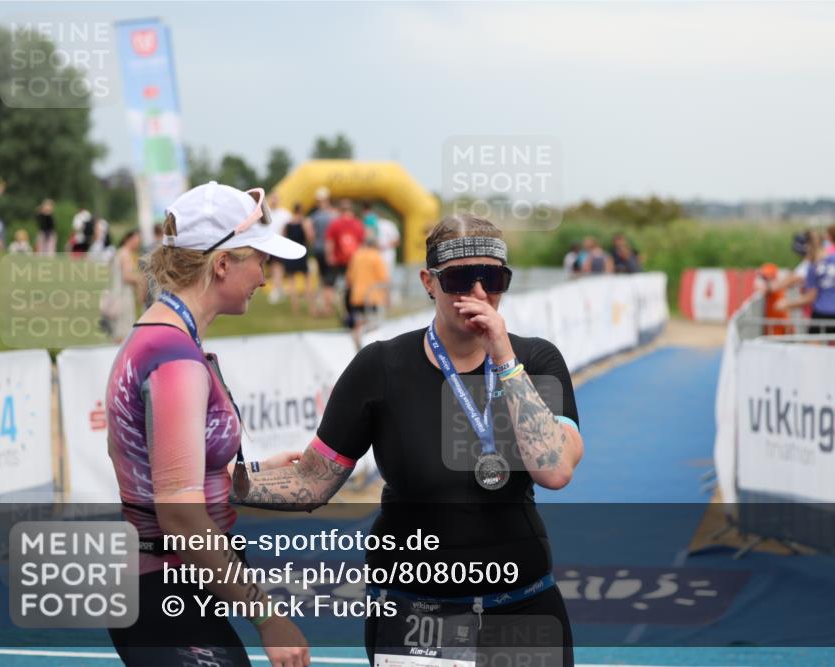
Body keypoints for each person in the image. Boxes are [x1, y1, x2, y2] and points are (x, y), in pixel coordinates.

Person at [237, 213, 584, 667]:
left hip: (522, 603)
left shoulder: (535, 359)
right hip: (416, 613)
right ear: (428, 282)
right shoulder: (381, 366)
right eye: (460, 279)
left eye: (493, 278)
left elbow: (555, 469)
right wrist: (222, 483)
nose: (479, 294)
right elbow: (313, 481)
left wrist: (503, 358)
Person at [104, 182, 310, 666]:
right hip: (164, 592)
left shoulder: (164, 338)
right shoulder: (173, 356)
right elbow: (180, 516)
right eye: (259, 259)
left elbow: (170, 476)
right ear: (222, 265)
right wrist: (268, 617)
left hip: (164, 589)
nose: (264, 276)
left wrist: (253, 475)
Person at [780, 229, 835, 338]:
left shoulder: (813, 267)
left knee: (813, 346)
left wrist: (787, 304)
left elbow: (810, 297)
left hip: (821, 312)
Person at [344, 235, 389, 349]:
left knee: (358, 324)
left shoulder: (356, 255)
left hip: (356, 296)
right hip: (373, 296)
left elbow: (349, 278)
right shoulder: (376, 256)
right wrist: (387, 297)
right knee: (372, 325)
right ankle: (369, 349)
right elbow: (383, 279)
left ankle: (358, 348)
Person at [99, 230, 142, 342]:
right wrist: (141, 279)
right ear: (129, 239)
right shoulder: (125, 254)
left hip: (117, 294)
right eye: (137, 239)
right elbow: (127, 276)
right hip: (124, 296)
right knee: (124, 331)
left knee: (118, 330)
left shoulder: (119, 252)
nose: (138, 243)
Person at [324, 198, 365, 309]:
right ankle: (351, 307)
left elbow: (329, 242)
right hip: (353, 259)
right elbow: (362, 244)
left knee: (329, 284)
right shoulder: (358, 224)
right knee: (351, 284)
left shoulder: (335, 224)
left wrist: (329, 256)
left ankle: (328, 308)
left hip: (337, 259)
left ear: (340, 211)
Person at [307, 186, 337, 316]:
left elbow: (310, 234)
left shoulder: (315, 216)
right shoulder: (333, 216)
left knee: (321, 279)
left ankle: (318, 307)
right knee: (329, 281)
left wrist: (314, 243)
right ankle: (328, 308)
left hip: (318, 249)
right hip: (330, 251)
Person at [280, 203, 311, 315]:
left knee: (291, 282)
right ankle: (310, 307)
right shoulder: (304, 223)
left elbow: (283, 236)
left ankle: (295, 308)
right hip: (301, 253)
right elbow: (310, 237)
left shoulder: (288, 223)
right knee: (307, 281)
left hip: (291, 253)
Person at [266, 193, 294, 304]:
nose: (274, 201)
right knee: (273, 268)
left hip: (279, 244)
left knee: (277, 267)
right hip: (267, 243)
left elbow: (290, 228)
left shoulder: (285, 214)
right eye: (272, 198)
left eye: (275, 199)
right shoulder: (266, 212)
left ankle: (276, 289)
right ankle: (279, 288)